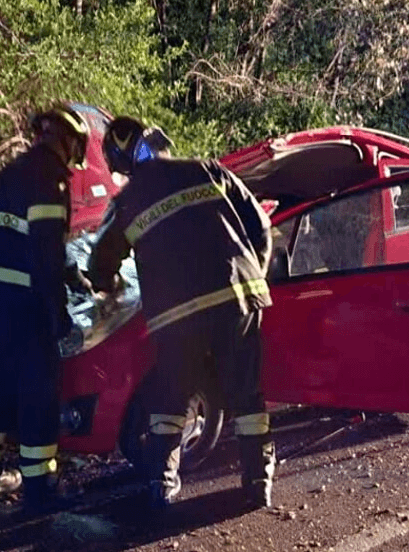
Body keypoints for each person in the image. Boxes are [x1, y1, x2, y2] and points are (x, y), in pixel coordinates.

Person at [87, 117, 276, 511]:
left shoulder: (127, 202)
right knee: (246, 397)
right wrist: (253, 274)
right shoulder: (206, 169)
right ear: (158, 141)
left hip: (176, 319)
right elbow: (260, 224)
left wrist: (106, 285)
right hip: (237, 298)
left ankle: (162, 482)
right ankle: (258, 482)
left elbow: (101, 262)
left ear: (122, 164)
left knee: (171, 400)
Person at [0, 103, 91, 516]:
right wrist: (59, 313)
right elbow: (45, 252)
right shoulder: (52, 180)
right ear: (71, 141)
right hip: (26, 307)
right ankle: (40, 489)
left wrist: (74, 274)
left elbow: (27, 239)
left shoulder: (12, 172)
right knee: (38, 396)